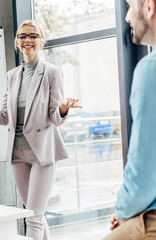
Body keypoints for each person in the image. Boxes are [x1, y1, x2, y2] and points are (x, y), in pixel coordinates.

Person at [0, 20, 81, 240]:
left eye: (33, 36)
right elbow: (4, 117)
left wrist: (64, 107)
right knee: (35, 214)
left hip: (42, 154)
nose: (27, 40)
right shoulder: (11, 76)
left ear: (42, 41)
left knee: (33, 218)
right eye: (22, 36)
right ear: (16, 42)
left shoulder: (51, 73)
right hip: (17, 154)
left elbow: (55, 119)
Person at [103, 0, 156, 239]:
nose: (126, 17)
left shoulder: (150, 69)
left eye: (129, 5)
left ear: (149, 6)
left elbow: (145, 166)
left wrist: (123, 212)